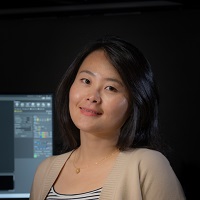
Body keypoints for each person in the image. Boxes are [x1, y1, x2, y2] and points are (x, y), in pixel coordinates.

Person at [30, 35, 186, 200]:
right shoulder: (45, 170)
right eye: (86, 81)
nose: (92, 97)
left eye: (111, 88)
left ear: (136, 102)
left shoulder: (148, 165)